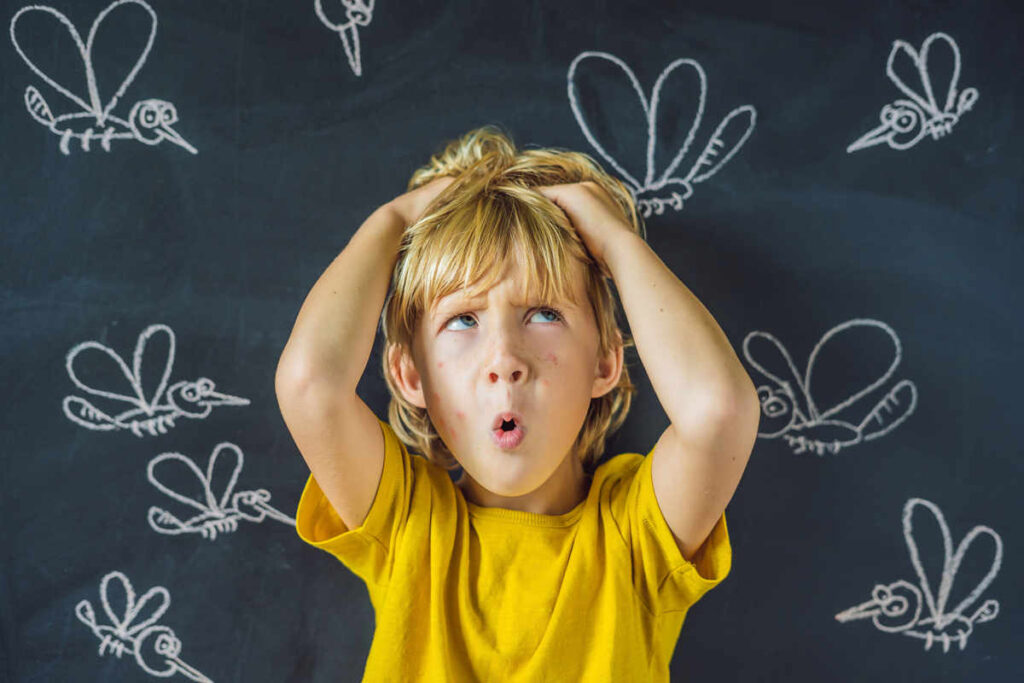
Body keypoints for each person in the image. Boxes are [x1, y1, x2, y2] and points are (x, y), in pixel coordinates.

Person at [274, 125, 760, 681]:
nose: (504, 357)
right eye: (463, 320)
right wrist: (393, 221)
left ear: (604, 362)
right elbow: (310, 384)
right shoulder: (409, 522)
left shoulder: (634, 536)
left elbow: (718, 410)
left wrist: (616, 241)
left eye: (544, 314)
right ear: (411, 375)